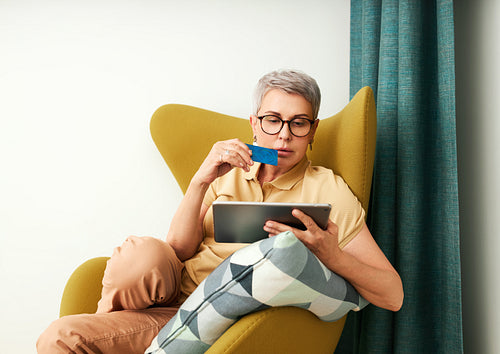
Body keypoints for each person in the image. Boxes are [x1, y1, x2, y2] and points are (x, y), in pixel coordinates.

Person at [37, 69, 404, 353]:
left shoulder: (330, 190)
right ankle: (110, 328)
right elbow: (179, 249)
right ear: (254, 124)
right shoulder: (230, 169)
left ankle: (110, 336)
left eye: (299, 123)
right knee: (140, 253)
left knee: (60, 338)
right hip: (171, 289)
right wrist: (200, 180)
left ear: (313, 130)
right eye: (272, 120)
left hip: (207, 314)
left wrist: (332, 254)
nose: (283, 136)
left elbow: (392, 294)